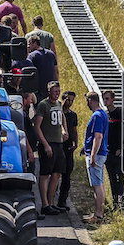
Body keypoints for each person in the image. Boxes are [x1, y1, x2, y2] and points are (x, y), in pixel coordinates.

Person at [33, 81, 66, 215]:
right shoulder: (43, 105)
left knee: (57, 173)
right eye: (54, 91)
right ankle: (45, 204)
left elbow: (62, 117)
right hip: (48, 143)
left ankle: (51, 202)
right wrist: (45, 144)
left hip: (58, 143)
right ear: (49, 91)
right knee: (45, 174)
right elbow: (37, 126)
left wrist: (64, 130)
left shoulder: (59, 104)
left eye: (58, 91)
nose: (57, 93)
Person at [82, 92, 108, 224]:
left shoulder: (97, 116)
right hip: (100, 153)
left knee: (97, 185)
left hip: (96, 154)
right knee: (99, 184)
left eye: (87, 100)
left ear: (91, 100)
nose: (86, 103)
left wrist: (92, 155)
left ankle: (98, 215)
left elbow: (98, 136)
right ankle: (98, 214)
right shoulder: (103, 114)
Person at [102, 90, 124, 210]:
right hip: (108, 152)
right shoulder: (105, 115)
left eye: (107, 98)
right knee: (111, 178)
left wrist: (121, 148)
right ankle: (115, 203)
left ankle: (122, 203)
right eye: (104, 98)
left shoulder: (120, 113)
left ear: (113, 99)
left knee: (119, 178)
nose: (105, 101)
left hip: (118, 152)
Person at [57, 90, 77, 210]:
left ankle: (62, 200)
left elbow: (74, 130)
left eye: (72, 101)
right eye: (67, 100)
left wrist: (75, 142)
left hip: (68, 146)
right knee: (56, 173)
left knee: (67, 175)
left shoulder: (72, 115)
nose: (69, 102)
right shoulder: (57, 112)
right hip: (58, 145)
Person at [25, 35, 58, 101]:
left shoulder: (32, 56)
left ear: (35, 43)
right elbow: (56, 70)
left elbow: (28, 70)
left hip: (39, 89)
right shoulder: (51, 54)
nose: (28, 46)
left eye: (29, 44)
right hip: (51, 87)